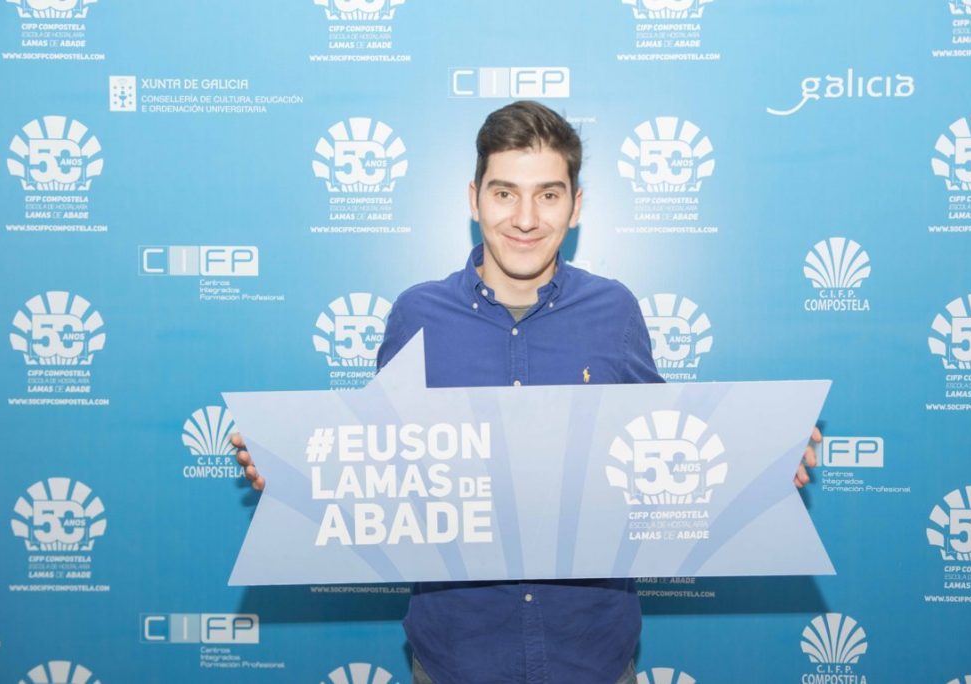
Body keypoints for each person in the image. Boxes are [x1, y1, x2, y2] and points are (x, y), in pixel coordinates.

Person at [232, 101, 821, 684]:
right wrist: (291, 470)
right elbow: (372, 465)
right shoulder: (418, 315)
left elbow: (668, 446)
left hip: (592, 655)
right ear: (475, 199)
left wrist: (762, 459)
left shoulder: (614, 311)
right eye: (505, 193)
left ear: (576, 206)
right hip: (456, 657)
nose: (525, 218)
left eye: (548, 194)